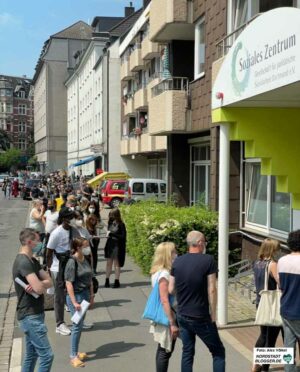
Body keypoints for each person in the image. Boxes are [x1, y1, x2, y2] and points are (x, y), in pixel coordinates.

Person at [169, 230, 225, 372]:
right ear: (200, 243)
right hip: (201, 315)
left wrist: (184, 292)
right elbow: (212, 289)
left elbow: (170, 289)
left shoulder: (177, 262)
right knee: (218, 352)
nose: (205, 244)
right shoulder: (208, 260)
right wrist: (213, 314)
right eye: (205, 242)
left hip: (182, 314)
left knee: (187, 352)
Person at [13, 228, 54, 371]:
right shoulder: (23, 262)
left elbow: (49, 281)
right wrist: (39, 284)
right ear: (30, 242)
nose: (40, 243)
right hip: (29, 315)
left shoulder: (33, 260)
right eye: (37, 240)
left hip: (36, 313)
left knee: (32, 355)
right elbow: (39, 289)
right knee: (47, 355)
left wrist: (38, 283)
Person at [46, 207, 80, 336]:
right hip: (58, 267)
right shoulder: (56, 233)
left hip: (71, 265)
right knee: (59, 296)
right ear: (64, 219)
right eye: (70, 217)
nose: (73, 219)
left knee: (73, 293)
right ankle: (59, 324)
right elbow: (48, 253)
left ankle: (77, 319)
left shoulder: (74, 230)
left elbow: (79, 245)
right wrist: (49, 270)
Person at [252, 238, 282, 372]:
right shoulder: (272, 264)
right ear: (272, 249)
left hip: (260, 302)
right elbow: (280, 283)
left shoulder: (257, 262)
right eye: (277, 248)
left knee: (263, 335)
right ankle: (264, 367)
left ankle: (255, 364)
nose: (278, 251)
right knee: (271, 337)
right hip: (271, 304)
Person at [149, 242, 179, 372]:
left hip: (164, 315)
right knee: (165, 350)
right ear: (168, 255)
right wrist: (172, 322)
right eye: (174, 252)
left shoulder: (158, 272)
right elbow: (165, 300)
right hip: (166, 316)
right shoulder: (165, 275)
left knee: (163, 349)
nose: (177, 254)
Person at [65, 237, 94, 368]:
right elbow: (68, 283)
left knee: (80, 325)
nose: (88, 248)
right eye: (85, 246)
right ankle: (73, 356)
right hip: (76, 296)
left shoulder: (85, 258)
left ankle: (76, 352)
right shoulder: (72, 262)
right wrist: (74, 302)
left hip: (85, 295)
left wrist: (92, 295)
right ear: (78, 248)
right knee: (76, 327)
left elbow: (90, 278)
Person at [278, 230, 300, 372]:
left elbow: (281, 285)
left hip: (286, 309)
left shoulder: (282, 260)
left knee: (288, 345)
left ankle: (289, 369)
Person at [104, 208, 127, 288]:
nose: (110, 217)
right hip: (110, 244)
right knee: (108, 263)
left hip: (117, 245)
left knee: (116, 264)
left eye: (112, 215)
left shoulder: (121, 224)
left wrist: (112, 234)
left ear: (116, 216)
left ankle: (117, 281)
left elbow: (123, 237)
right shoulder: (110, 223)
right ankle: (107, 279)